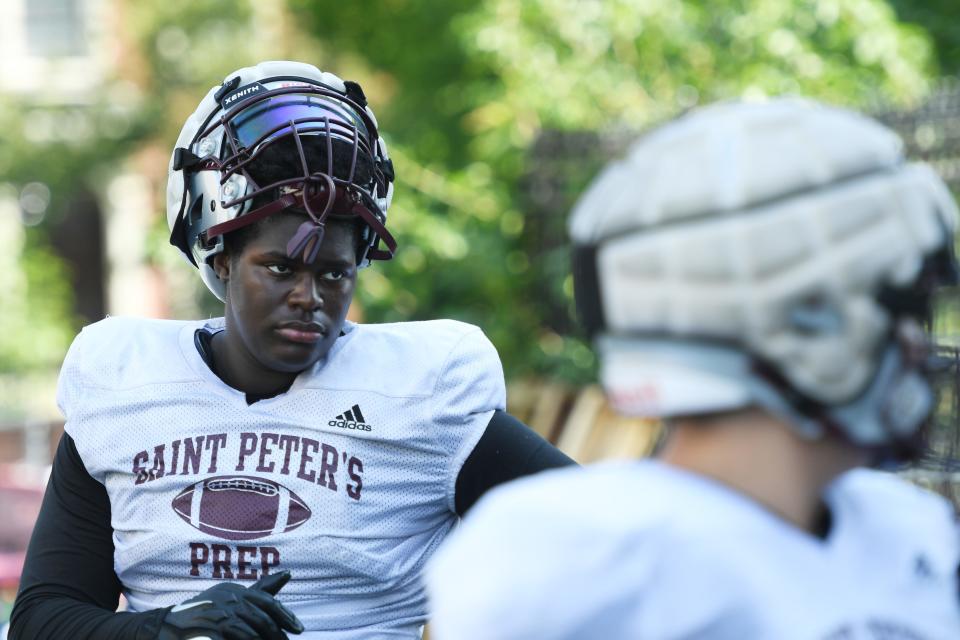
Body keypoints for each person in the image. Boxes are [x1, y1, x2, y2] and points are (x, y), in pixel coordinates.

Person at [10, 60, 573, 640]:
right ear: (222, 256)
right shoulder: (123, 383)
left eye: (334, 275)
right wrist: (168, 629)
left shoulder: (424, 394)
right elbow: (44, 617)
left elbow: (599, 530)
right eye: (280, 267)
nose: (309, 298)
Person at [425, 99, 960, 639]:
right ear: (802, 325)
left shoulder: (905, 529)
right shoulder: (579, 562)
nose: (918, 345)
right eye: (902, 309)